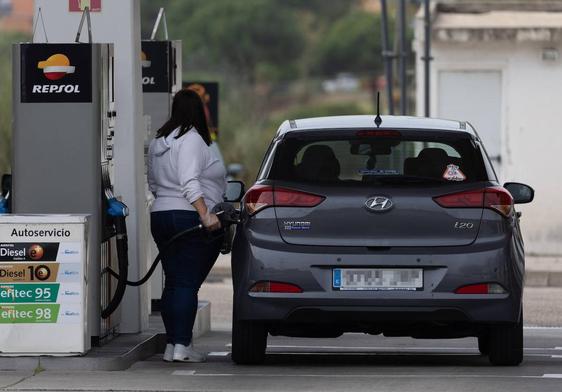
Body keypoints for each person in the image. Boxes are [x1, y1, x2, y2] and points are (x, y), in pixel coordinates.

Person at [147, 89, 227, 363]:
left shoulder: (159, 140)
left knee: (174, 282)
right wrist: (206, 215)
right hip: (188, 218)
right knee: (186, 284)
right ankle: (182, 346)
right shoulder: (190, 139)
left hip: (161, 215)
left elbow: (154, 183)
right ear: (198, 111)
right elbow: (189, 181)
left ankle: (172, 345)